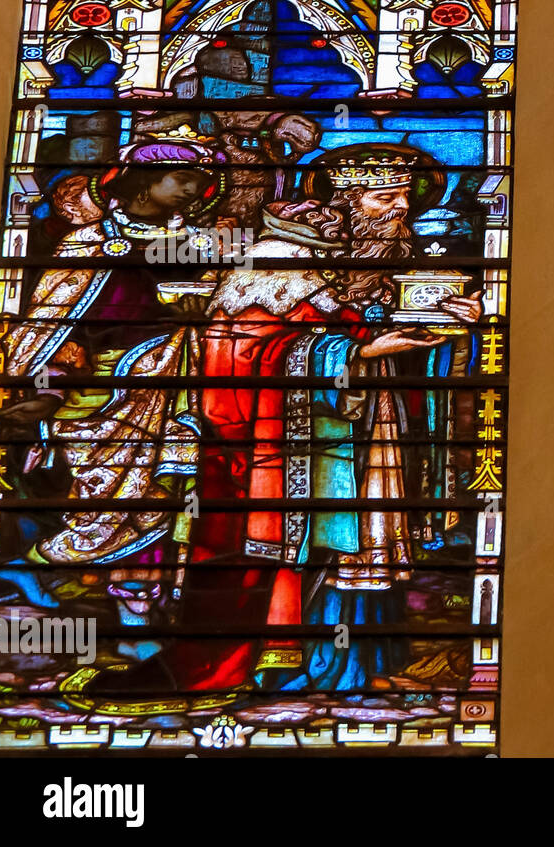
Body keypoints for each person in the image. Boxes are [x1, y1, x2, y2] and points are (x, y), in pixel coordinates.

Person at [196, 144, 482, 691]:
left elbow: (417, 346)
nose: (400, 209)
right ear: (344, 205)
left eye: (403, 197)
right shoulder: (282, 266)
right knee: (331, 542)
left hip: (380, 432)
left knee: (370, 545)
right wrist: (359, 353)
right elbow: (243, 352)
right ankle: (316, 667)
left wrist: (465, 325)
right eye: (383, 197)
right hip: (309, 440)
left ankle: (376, 664)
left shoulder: (407, 268)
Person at [0, 135, 225, 635]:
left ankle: (145, 608)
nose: (194, 192)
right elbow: (55, 320)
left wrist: (196, 314)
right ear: (145, 180)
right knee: (107, 493)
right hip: (98, 389)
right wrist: (49, 386)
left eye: (201, 184)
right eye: (183, 179)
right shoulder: (87, 241)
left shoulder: (195, 242)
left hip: (173, 379)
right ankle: (42, 565)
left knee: (166, 490)